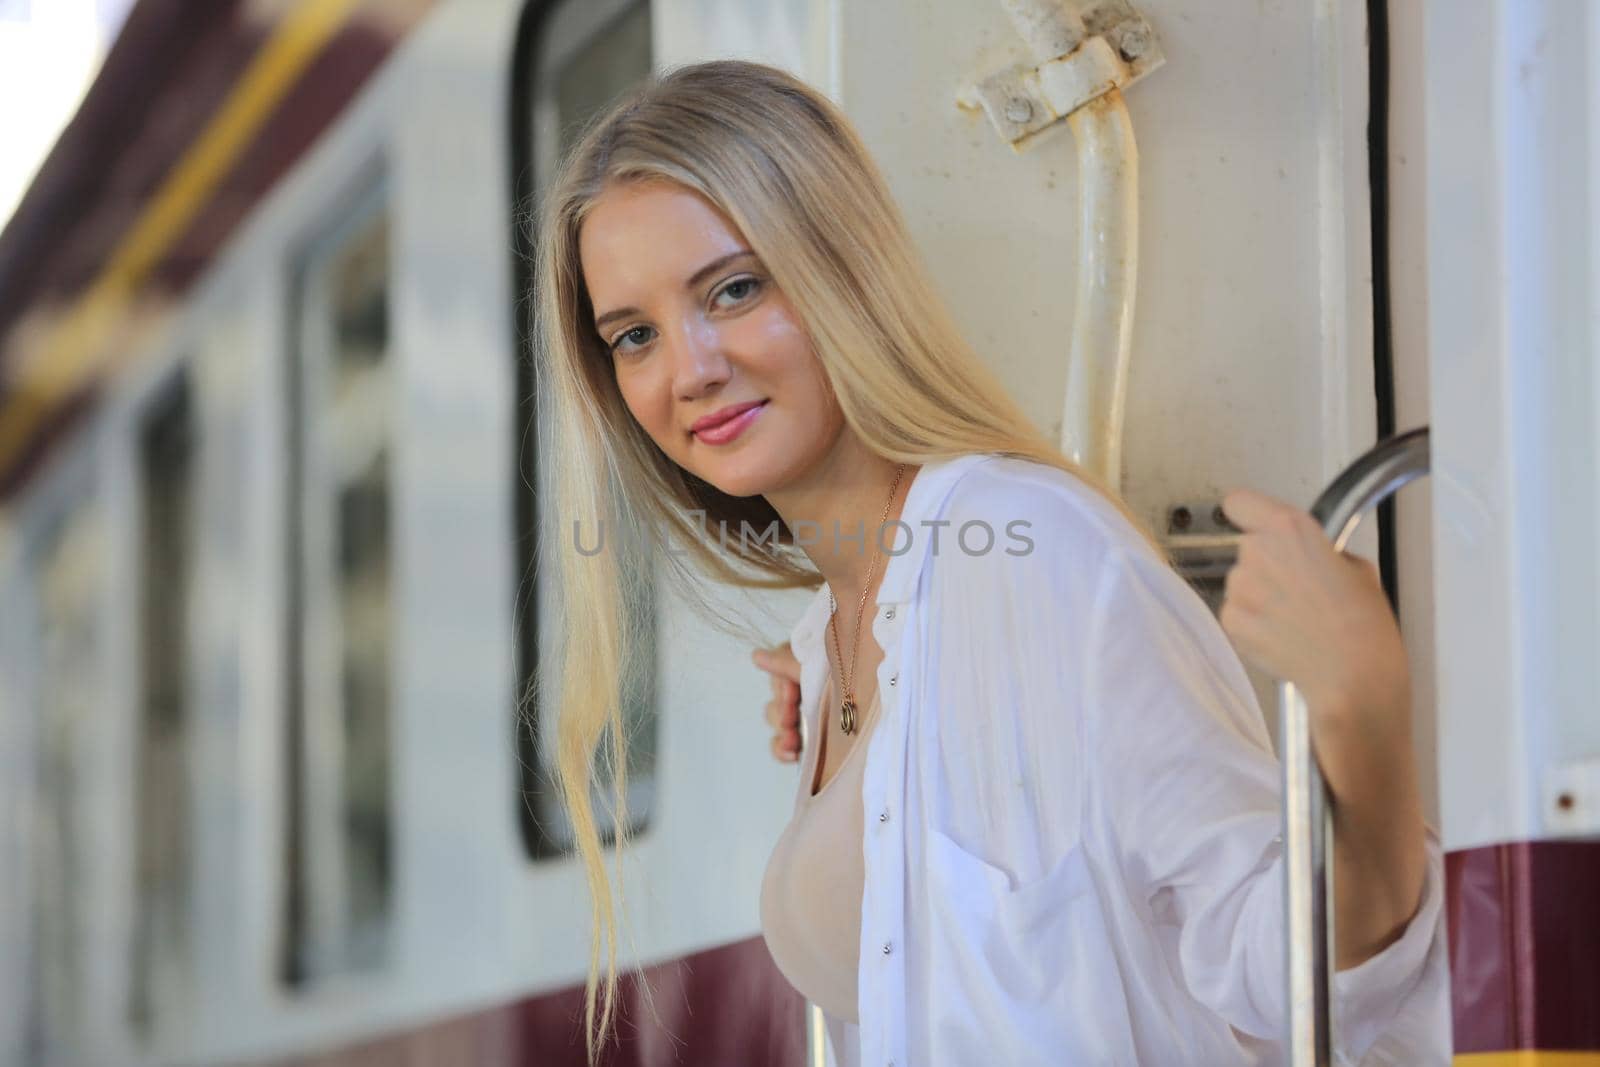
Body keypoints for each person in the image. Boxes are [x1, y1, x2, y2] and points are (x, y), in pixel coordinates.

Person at [532, 58, 1448, 1065]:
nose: (690, 368)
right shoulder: (847, 631)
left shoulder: (1031, 548)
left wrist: (1362, 717)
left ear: (843, 267)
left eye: (735, 288)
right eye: (632, 336)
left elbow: (1287, 972)